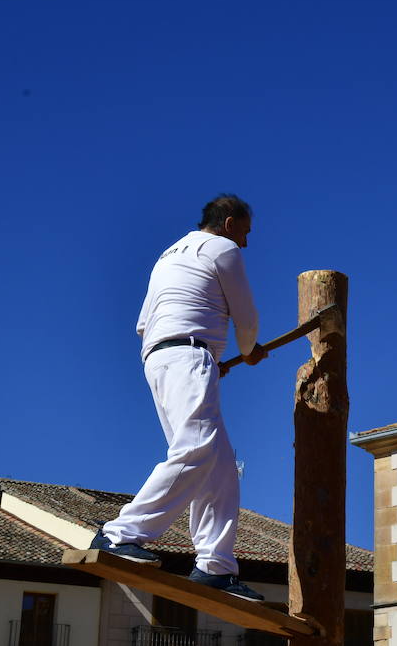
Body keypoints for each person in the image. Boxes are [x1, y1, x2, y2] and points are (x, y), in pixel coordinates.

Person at [90, 194, 269, 600]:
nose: (245, 243)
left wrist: (210, 353)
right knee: (197, 448)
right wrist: (248, 349)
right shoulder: (222, 248)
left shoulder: (168, 256)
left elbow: (143, 323)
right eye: (244, 232)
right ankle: (121, 534)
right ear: (228, 224)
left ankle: (216, 566)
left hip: (161, 356)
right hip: (189, 355)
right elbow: (246, 316)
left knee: (219, 465)